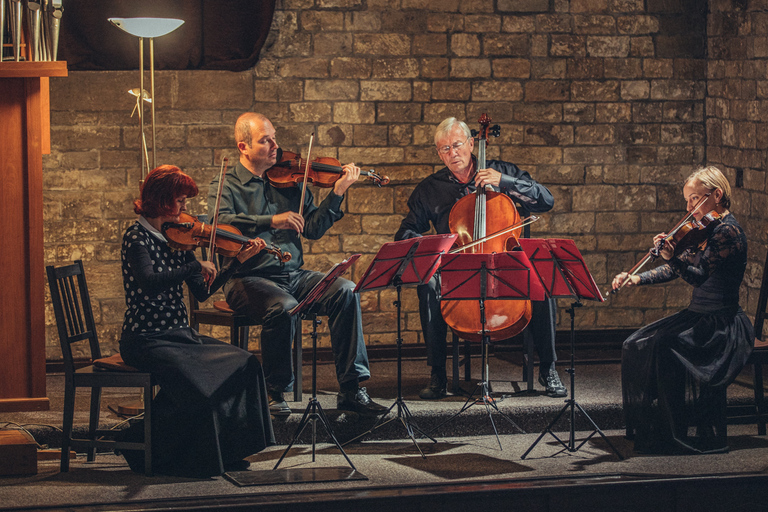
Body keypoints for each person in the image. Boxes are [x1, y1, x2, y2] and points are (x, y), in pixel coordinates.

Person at [208, 112, 386, 418]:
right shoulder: (228, 183)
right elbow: (220, 223)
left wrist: (338, 192)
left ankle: (352, 389)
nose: (275, 145)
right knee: (284, 306)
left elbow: (313, 228)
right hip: (246, 279)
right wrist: (271, 220)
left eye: (274, 137)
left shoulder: (290, 183)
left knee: (346, 290)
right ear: (243, 147)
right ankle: (275, 391)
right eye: (265, 140)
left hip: (292, 274)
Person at [118, 165, 275, 477]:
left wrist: (234, 263)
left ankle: (230, 451)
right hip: (145, 339)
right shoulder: (137, 238)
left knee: (245, 363)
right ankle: (159, 450)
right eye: (180, 200)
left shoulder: (179, 235)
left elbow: (203, 292)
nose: (185, 208)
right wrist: (192, 268)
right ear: (162, 201)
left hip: (180, 336)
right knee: (200, 386)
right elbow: (149, 282)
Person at [395, 117, 566, 399]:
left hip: (503, 268)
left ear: (472, 143)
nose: (452, 153)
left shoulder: (502, 172)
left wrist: (506, 182)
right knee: (428, 286)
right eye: (444, 149)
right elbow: (405, 232)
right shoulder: (430, 188)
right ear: (439, 153)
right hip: (459, 273)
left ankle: (548, 368)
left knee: (540, 281)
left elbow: (546, 200)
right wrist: (434, 248)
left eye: (457, 145)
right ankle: (437, 373)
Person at [612, 165, 753, 454]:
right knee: (636, 343)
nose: (688, 207)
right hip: (699, 316)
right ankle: (664, 429)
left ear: (717, 195)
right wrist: (637, 277)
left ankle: (675, 434)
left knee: (664, 344)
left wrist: (674, 256)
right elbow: (674, 270)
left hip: (722, 324)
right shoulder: (706, 229)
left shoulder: (727, 231)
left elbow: (698, 275)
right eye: (687, 200)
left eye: (694, 199)